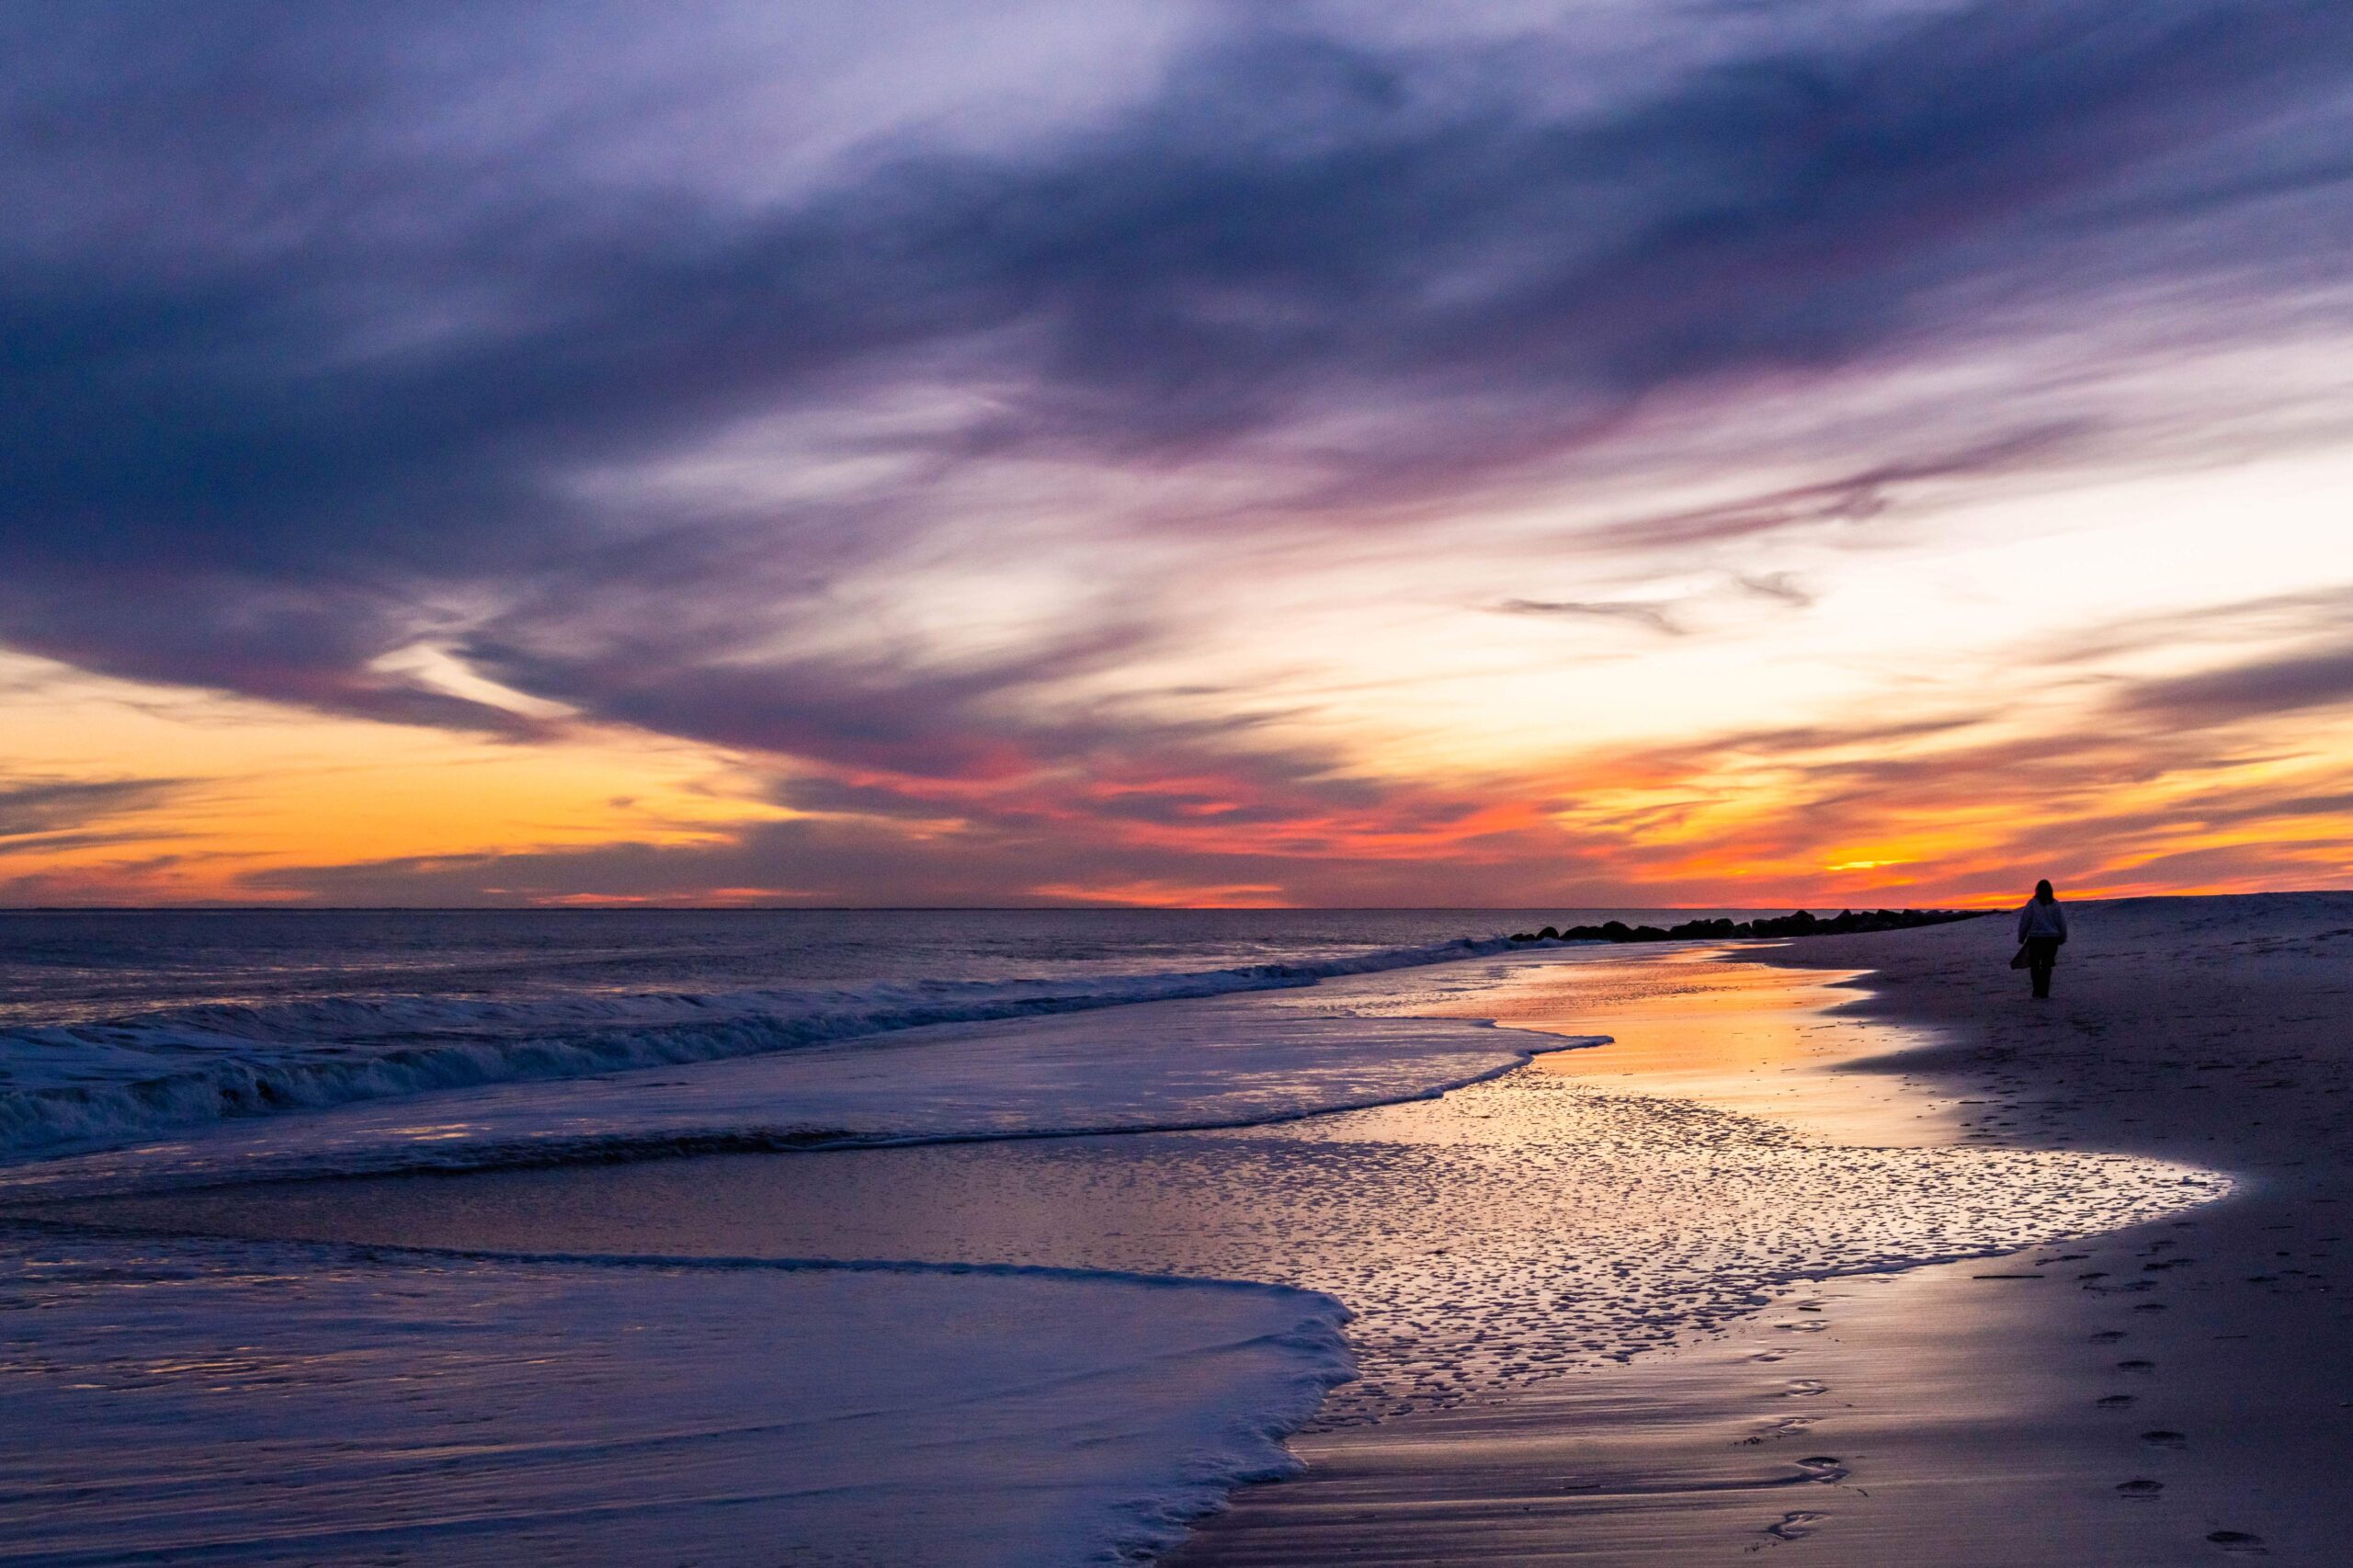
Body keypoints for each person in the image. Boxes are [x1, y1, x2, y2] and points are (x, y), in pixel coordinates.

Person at [2016, 879, 2068, 999]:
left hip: (2036, 939)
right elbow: (2062, 923)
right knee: (2046, 965)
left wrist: (2021, 937)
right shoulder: (2056, 905)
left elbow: (2025, 921)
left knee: (2035, 965)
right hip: (2051, 940)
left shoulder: (2033, 904)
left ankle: (2037, 990)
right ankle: (2044, 991)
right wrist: (2063, 937)